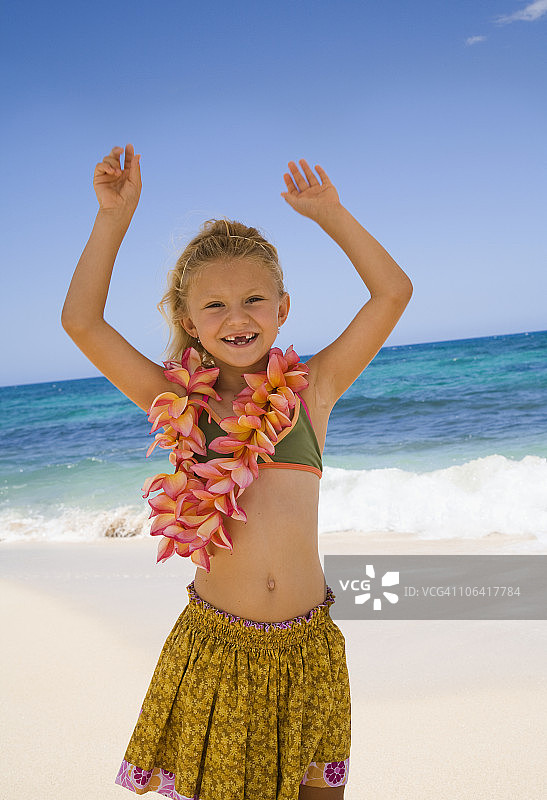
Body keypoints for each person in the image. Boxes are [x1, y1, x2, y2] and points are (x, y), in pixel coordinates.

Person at [61, 143, 413, 800]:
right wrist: (112, 218)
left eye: (254, 299)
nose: (237, 317)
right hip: (220, 650)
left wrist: (330, 215)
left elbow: (392, 293)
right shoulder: (179, 405)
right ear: (189, 324)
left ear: (282, 308)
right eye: (214, 306)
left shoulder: (312, 393)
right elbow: (81, 322)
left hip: (312, 648)